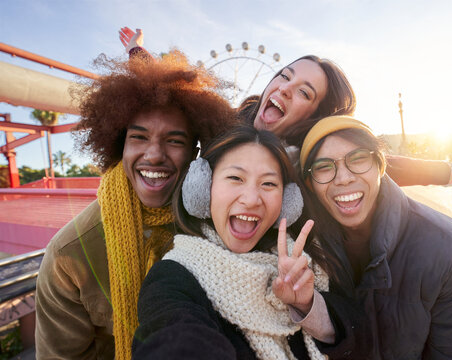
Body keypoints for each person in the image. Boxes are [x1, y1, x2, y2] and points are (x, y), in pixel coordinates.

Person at [35, 52, 237, 359]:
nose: (154, 154)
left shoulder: (218, 225)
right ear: (119, 146)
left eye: (174, 140)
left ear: (196, 153)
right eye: (139, 138)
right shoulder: (70, 253)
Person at [119, 26, 452, 187]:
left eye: (305, 93)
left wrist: (440, 171)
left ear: (316, 116)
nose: (285, 89)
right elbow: (182, 95)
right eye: (284, 76)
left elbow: (377, 162)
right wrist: (137, 52)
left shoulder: (312, 155)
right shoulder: (227, 123)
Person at [299, 115, 452, 359]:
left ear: (381, 166)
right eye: (324, 167)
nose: (344, 178)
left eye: (358, 160)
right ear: (310, 183)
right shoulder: (308, 252)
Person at [131, 125, 333, 359]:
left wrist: (307, 305)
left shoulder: (306, 264)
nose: (251, 199)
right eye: (235, 178)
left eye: (268, 184)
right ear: (204, 188)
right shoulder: (173, 277)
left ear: (287, 201)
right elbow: (173, 334)